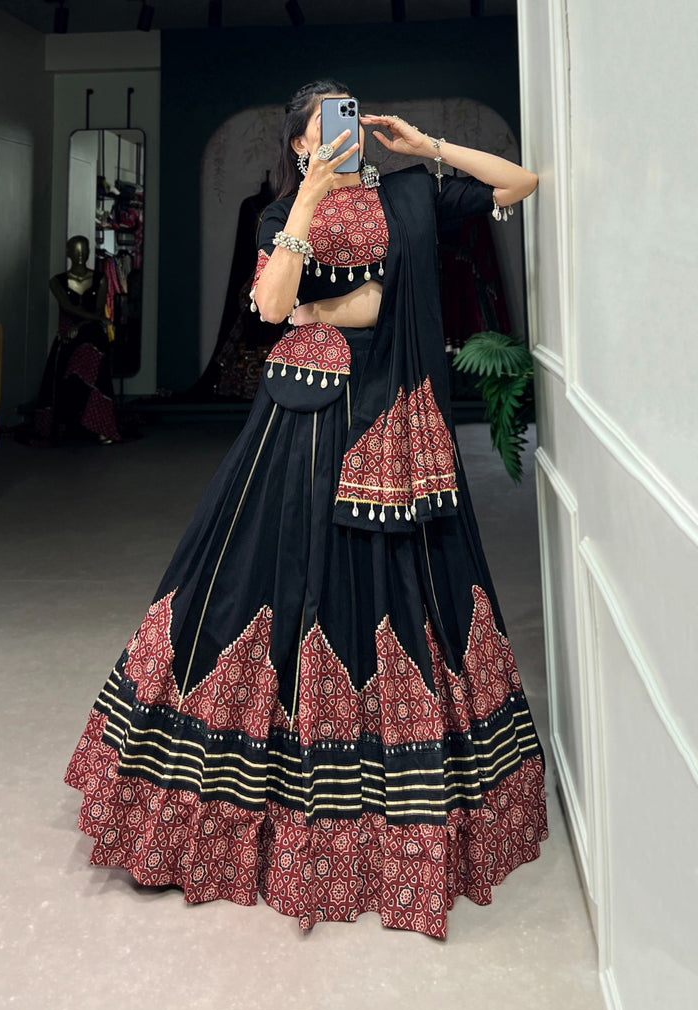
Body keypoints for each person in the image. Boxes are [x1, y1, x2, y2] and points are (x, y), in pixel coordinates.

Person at [65, 81, 549, 939]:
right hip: (308, 411)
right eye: (327, 125)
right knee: (266, 576)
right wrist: (312, 199)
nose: (345, 132)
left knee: (405, 587)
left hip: (395, 408)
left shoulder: (410, 193)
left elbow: (520, 182)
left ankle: (407, 798)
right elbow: (271, 306)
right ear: (298, 144)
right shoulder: (280, 212)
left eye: (352, 117)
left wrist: (427, 146)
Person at [33, 235, 121, 445]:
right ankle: (67, 424)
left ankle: (97, 425)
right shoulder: (57, 281)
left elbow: (98, 309)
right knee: (68, 362)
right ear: (68, 252)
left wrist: (83, 324)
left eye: (84, 250)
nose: (80, 255)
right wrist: (97, 319)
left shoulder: (100, 279)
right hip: (68, 334)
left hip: (90, 332)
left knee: (91, 356)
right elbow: (67, 306)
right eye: (76, 250)